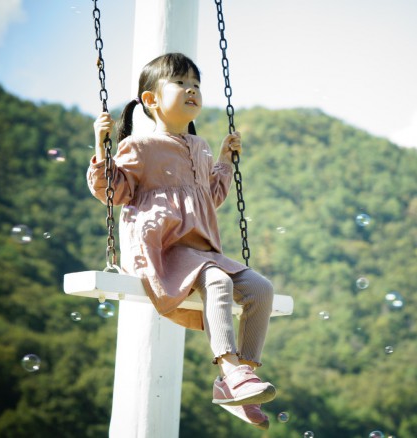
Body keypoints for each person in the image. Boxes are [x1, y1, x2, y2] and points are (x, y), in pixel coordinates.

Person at [88, 53, 275, 430]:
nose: (192, 89)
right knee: (218, 281)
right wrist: (100, 144)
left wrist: (222, 158)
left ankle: (237, 380)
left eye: (196, 84)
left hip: (200, 251)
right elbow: (113, 190)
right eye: (181, 83)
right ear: (151, 100)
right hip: (161, 251)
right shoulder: (139, 147)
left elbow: (210, 197)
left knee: (260, 288)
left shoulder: (201, 147)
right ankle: (228, 366)